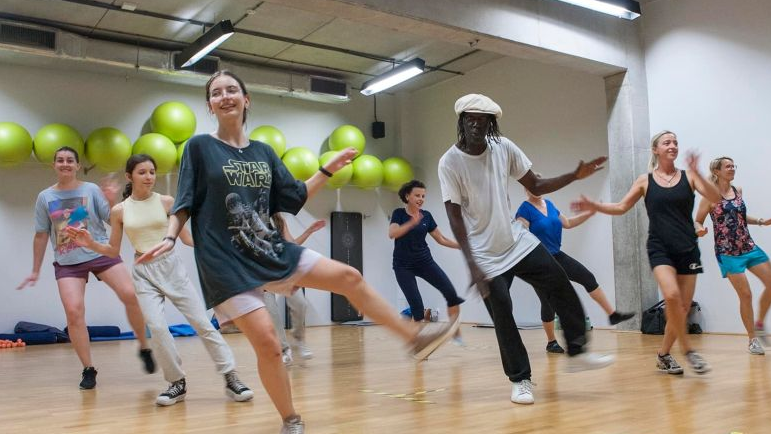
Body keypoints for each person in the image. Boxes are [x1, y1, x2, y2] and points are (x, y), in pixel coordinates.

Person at [138, 70, 459, 433]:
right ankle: (290, 418)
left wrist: (327, 169)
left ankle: (415, 339)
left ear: (247, 100)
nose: (225, 96)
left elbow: (293, 196)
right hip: (224, 261)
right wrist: (169, 238)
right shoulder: (199, 147)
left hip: (269, 247)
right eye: (216, 93)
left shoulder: (264, 152)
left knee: (349, 277)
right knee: (270, 344)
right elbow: (183, 202)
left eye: (232, 90)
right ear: (209, 106)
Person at [438, 93, 614, 406]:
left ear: (491, 123)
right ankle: (520, 380)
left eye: (482, 119)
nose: (476, 125)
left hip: (516, 241)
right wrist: (472, 265)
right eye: (470, 119)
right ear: (461, 121)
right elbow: (454, 218)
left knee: (559, 282)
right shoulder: (450, 162)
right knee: (502, 311)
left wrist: (574, 175)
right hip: (483, 252)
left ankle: (577, 350)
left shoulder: (503, 148)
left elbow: (536, 185)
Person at [66, 154, 255, 406]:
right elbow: (112, 251)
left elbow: (186, 238)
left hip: (171, 268)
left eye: (152, 172)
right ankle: (177, 382)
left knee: (202, 323)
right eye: (142, 172)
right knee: (156, 327)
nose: (149, 177)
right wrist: (90, 243)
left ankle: (231, 377)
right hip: (143, 271)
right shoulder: (119, 211)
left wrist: (222, 244)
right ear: (129, 176)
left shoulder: (167, 203)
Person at [573, 130, 722, 375]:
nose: (673, 145)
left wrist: (698, 172)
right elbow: (621, 207)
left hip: (687, 249)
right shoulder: (645, 180)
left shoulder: (690, 176)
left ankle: (663, 354)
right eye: (667, 142)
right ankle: (688, 351)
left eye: (675, 142)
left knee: (682, 308)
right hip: (659, 248)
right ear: (656, 150)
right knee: (672, 297)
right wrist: (594, 206)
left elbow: (715, 197)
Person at [17, 146, 155, 390]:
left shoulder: (90, 190)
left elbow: (110, 218)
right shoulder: (45, 197)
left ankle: (144, 346)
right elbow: (40, 235)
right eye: (60, 160)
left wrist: (111, 199)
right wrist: (35, 270)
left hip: (100, 252)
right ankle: (88, 368)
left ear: (77, 166)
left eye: (70, 160)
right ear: (54, 166)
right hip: (67, 261)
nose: (65, 164)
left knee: (130, 295)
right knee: (74, 311)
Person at [515, 180, 635, 354]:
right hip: (540, 263)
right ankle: (551, 342)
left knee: (587, 277)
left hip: (557, 255)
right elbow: (521, 235)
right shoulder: (524, 209)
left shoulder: (550, 205)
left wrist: (589, 213)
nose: (537, 189)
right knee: (548, 303)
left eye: (540, 185)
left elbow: (568, 223)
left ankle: (612, 314)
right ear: (526, 189)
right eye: (532, 186)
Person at [694, 156, 771, 354]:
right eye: (727, 166)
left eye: (733, 165)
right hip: (727, 252)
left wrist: (762, 221)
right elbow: (698, 221)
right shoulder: (709, 197)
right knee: (746, 295)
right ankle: (752, 339)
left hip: (749, 246)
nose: (732, 168)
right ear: (717, 171)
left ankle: (760, 324)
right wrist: (699, 229)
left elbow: (741, 216)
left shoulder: (738, 191)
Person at [389, 179, 465, 344]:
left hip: (424, 262)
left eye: (423, 196)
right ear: (407, 196)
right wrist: (411, 223)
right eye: (417, 195)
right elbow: (393, 233)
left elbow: (441, 238)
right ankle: (419, 344)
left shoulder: (427, 216)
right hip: (403, 266)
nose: (421, 198)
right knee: (417, 306)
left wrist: (461, 246)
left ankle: (455, 332)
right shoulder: (398, 214)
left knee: (451, 293)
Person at [264, 215, 325, 364]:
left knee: (300, 304)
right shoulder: (251, 215)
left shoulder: (278, 219)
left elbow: (292, 245)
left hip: (282, 271)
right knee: (271, 312)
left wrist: (309, 231)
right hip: (262, 274)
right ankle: (284, 349)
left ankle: (299, 340)